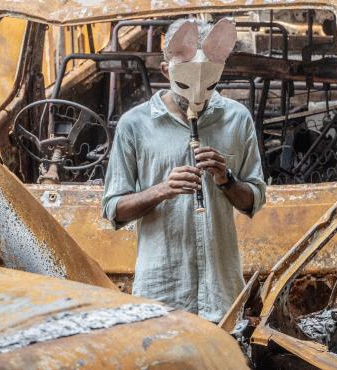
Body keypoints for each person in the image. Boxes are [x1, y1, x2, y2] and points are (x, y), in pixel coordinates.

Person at [102, 18, 266, 323]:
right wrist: (163, 190)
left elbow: (253, 201)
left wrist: (226, 180)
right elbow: (114, 210)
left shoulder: (237, 119)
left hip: (221, 297)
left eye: (210, 86)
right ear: (166, 71)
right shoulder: (134, 125)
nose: (198, 98)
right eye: (187, 84)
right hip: (160, 298)